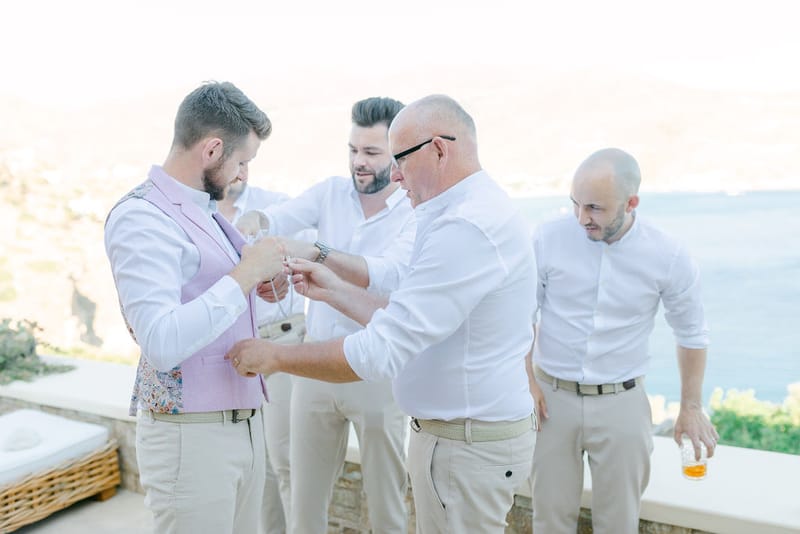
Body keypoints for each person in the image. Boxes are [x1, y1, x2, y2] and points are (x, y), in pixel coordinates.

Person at [227, 94, 537, 534]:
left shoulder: (465, 228)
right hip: (455, 439)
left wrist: (275, 357)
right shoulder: (454, 211)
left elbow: (379, 350)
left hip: (466, 447)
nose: (394, 173)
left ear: (440, 149)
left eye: (399, 159)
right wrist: (334, 291)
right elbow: (405, 313)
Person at [104, 81, 285, 534]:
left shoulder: (205, 211)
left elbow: (212, 296)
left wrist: (258, 282)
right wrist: (244, 275)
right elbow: (162, 341)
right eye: (242, 162)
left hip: (244, 425)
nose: (244, 176)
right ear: (212, 149)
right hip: (191, 436)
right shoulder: (141, 216)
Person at [238, 96, 415, 534]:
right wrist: (255, 229)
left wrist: (317, 253)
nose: (358, 161)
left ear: (397, 157)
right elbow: (274, 219)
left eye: (371, 152)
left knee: (387, 505)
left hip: (376, 377)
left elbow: (383, 276)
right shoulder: (330, 192)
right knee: (303, 503)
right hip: (314, 372)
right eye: (353, 149)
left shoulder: (415, 215)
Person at [527, 147, 719, 534]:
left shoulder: (668, 254)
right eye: (575, 204)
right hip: (550, 401)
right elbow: (519, 316)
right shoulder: (547, 238)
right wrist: (527, 381)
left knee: (619, 525)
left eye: (595, 208)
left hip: (622, 404)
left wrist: (690, 407)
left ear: (631, 203)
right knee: (549, 521)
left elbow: (692, 333)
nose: (582, 218)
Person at [218, 177, 313, 534]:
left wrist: (283, 273)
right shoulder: (201, 216)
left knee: (285, 459)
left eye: (245, 162)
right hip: (234, 355)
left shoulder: (272, 205)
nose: (239, 172)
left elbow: (313, 249)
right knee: (256, 465)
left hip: (283, 344)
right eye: (235, 162)